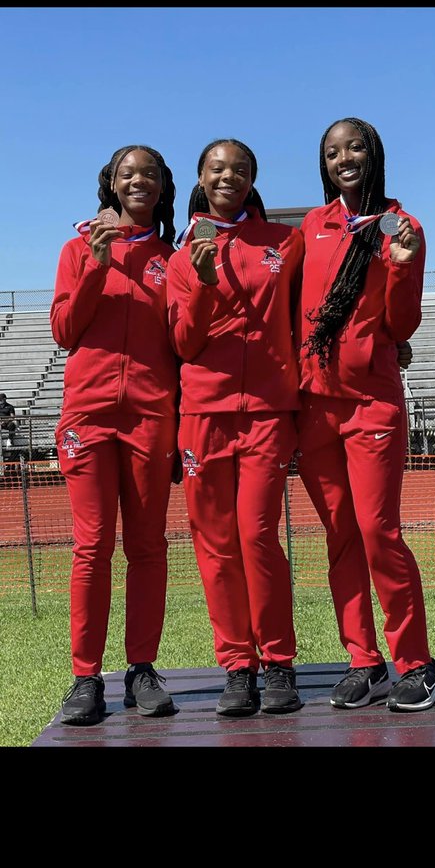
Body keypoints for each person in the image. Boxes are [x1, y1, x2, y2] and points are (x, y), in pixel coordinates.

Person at [296, 116, 435, 712]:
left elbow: (399, 325)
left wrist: (404, 265)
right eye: (333, 151)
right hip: (315, 407)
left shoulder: (401, 227)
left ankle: (415, 662)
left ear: (373, 153)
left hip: (371, 402)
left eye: (354, 146)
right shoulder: (313, 225)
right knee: (340, 536)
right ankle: (365, 661)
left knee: (379, 531)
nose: (344, 157)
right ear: (324, 163)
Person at [167, 138, 303, 717]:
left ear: (252, 179)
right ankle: (237, 666)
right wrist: (198, 282)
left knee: (257, 536)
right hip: (204, 413)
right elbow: (183, 342)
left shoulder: (283, 243)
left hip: (269, 410)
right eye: (218, 168)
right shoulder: (181, 256)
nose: (229, 177)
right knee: (216, 546)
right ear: (202, 176)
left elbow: (316, 305)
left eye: (240, 169)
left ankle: (277, 662)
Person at [51, 145, 180, 726]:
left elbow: (184, 342)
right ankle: (85, 677)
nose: (139, 182)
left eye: (149, 174)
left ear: (161, 187)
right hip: (89, 415)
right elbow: (63, 331)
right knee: (92, 544)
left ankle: (141, 669)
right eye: (128, 174)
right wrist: (97, 265)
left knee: (148, 546)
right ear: (110, 184)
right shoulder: (78, 248)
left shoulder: (172, 258)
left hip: (151, 417)